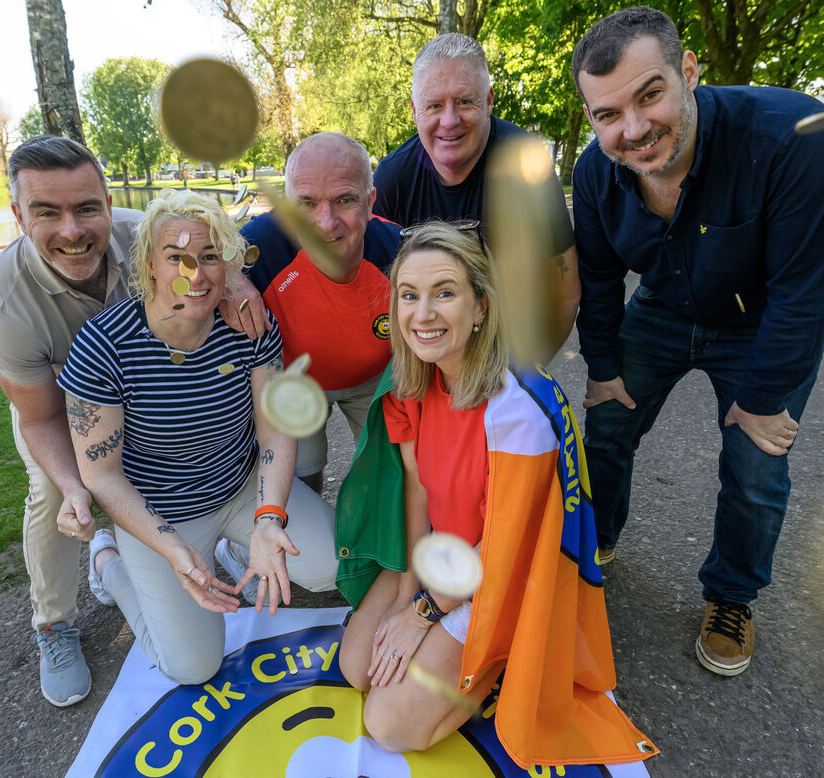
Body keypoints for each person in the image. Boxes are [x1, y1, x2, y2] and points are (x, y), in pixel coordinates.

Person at [570, 7, 824, 677]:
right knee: (606, 424)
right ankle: (594, 541)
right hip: (663, 308)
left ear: (688, 71)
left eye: (650, 95)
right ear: (591, 118)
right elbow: (600, 282)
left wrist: (762, 399)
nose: (633, 129)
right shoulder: (594, 172)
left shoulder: (794, 137)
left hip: (762, 322)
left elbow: (804, 293)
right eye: (608, 115)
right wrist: (603, 368)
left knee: (756, 464)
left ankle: (731, 596)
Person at [334, 222, 655, 768]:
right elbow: (417, 490)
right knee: (356, 667)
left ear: (481, 306)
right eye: (409, 295)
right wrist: (409, 589)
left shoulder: (516, 409)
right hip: (447, 559)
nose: (423, 314)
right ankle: (451, 653)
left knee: (389, 724)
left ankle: (504, 657)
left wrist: (422, 614)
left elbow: (506, 549)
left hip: (503, 577)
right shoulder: (417, 376)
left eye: (444, 293)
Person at [0, 136, 269, 707]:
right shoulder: (3, 299)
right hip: (57, 406)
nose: (72, 230)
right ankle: (59, 618)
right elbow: (38, 418)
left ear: (109, 204)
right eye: (46, 212)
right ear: (18, 215)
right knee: (56, 496)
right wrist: (74, 487)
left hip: (139, 395)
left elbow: (212, 250)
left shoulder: (146, 232)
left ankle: (208, 534)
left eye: (86, 208)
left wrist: (235, 281)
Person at [56, 190, 338, 685]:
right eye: (176, 257)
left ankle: (239, 545)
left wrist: (269, 518)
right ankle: (109, 564)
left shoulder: (249, 326)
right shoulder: (103, 347)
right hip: (160, 513)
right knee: (192, 668)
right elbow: (101, 475)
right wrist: (171, 547)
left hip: (240, 488)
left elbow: (275, 428)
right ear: (149, 264)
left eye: (210, 256)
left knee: (333, 567)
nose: (197, 274)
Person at [373, 33, 580, 348]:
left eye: (464, 101)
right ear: (414, 110)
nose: (449, 121)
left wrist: (529, 368)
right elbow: (376, 290)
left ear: (489, 101)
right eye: (434, 105)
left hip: (508, 348)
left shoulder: (526, 166)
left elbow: (564, 289)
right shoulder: (392, 179)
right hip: (426, 352)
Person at [238, 133, 401, 495]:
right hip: (295, 376)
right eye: (307, 203)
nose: (326, 223)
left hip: (374, 378)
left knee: (391, 471)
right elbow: (201, 267)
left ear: (370, 202)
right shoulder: (257, 244)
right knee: (299, 473)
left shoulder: (400, 251)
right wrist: (232, 280)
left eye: (345, 199)